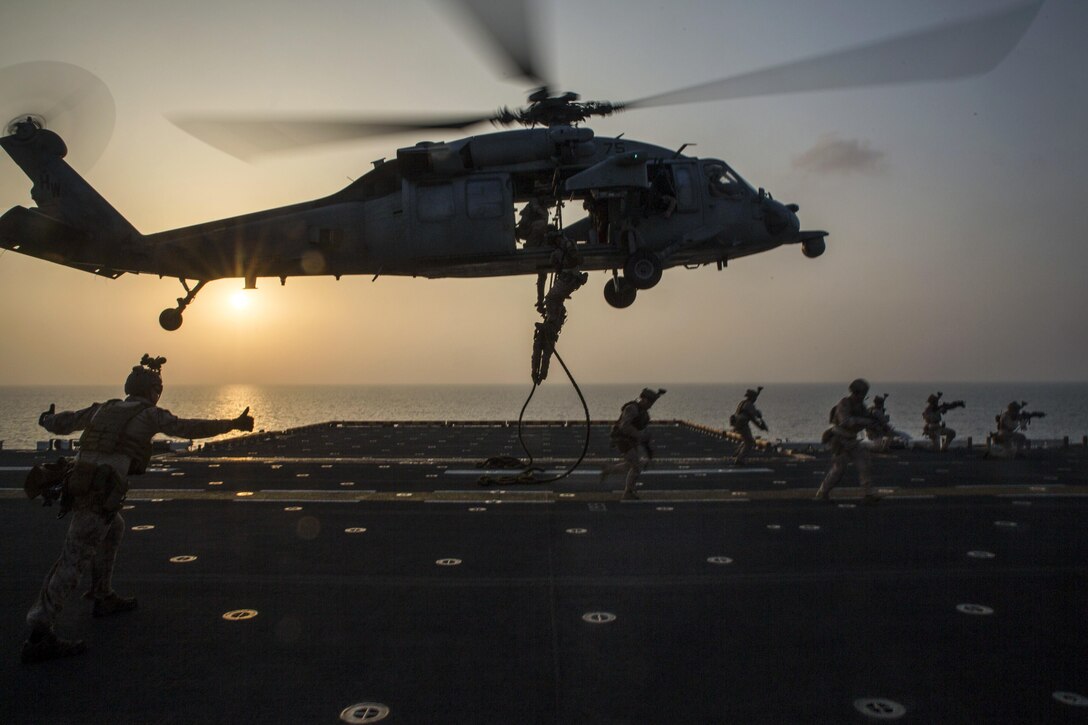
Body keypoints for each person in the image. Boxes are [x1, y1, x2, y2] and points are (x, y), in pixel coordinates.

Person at [21, 354, 254, 664]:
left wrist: (45, 419)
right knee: (72, 560)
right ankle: (39, 632)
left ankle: (102, 595)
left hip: (81, 486)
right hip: (99, 492)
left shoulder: (103, 408)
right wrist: (233, 424)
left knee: (114, 527)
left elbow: (63, 422)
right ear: (153, 391)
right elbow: (188, 428)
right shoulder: (149, 415)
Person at [814, 378, 882, 504]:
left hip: (852, 440)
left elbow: (867, 419)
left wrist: (876, 422)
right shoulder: (844, 404)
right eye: (862, 393)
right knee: (838, 470)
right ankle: (822, 492)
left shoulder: (861, 406)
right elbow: (845, 421)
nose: (864, 396)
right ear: (856, 392)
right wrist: (866, 421)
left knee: (865, 465)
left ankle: (868, 494)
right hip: (839, 440)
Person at [601, 388, 666, 500]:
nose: (651, 405)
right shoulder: (632, 409)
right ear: (644, 399)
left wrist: (649, 450)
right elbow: (624, 427)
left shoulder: (644, 414)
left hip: (631, 440)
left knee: (629, 465)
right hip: (622, 439)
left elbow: (643, 433)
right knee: (636, 466)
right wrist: (639, 435)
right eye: (650, 402)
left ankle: (608, 469)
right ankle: (628, 492)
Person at [730, 386, 767, 465]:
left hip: (737, 424)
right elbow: (754, 417)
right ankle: (740, 459)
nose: (755, 399)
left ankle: (737, 453)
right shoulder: (749, 405)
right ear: (752, 398)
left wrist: (758, 392)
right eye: (754, 398)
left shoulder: (743, 403)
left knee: (746, 440)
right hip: (742, 424)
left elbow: (751, 417)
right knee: (749, 442)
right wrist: (761, 425)